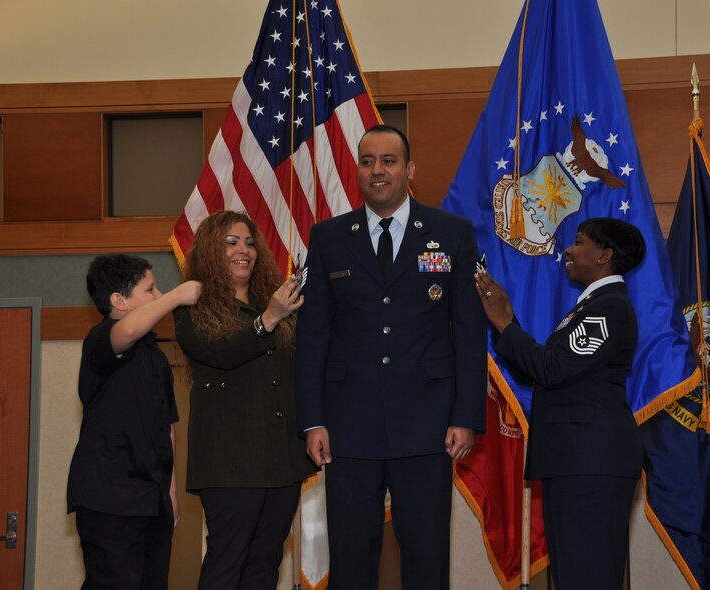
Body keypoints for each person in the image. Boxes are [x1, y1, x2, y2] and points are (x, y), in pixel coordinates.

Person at [295, 124, 487, 590]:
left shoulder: (451, 232)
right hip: (347, 425)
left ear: (409, 169)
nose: (377, 171)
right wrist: (312, 420)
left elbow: (468, 331)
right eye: (367, 161)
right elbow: (313, 336)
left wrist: (466, 414)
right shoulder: (329, 238)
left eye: (388, 160)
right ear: (357, 169)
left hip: (428, 423)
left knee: (426, 557)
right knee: (351, 557)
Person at [474, 217, 646, 590]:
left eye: (579, 242)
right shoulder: (588, 308)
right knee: (572, 575)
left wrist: (506, 325)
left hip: (591, 462)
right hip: (575, 460)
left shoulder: (608, 308)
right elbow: (545, 375)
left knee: (588, 575)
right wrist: (509, 324)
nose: (568, 249)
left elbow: (551, 370)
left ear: (604, 255)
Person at [173, 210, 315, 590]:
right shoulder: (193, 309)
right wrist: (267, 319)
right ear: (209, 252)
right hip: (228, 462)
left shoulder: (278, 307)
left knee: (265, 562)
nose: (244, 250)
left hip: (281, 460)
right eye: (231, 243)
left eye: (250, 242)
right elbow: (220, 353)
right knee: (227, 561)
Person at [67, 253, 201, 590]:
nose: (159, 295)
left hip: (152, 498)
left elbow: (165, 426)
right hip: (110, 498)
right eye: (151, 290)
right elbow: (126, 330)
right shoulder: (100, 341)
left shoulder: (155, 356)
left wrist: (170, 491)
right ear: (119, 300)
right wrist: (177, 297)